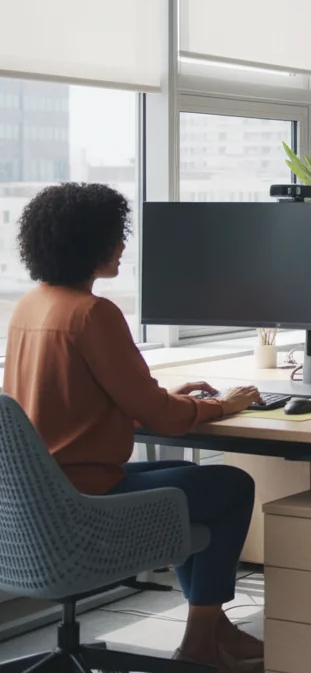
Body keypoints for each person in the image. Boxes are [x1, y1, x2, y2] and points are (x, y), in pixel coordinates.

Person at [3, 183, 264, 672]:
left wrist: (173, 397)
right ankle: (200, 639)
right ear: (86, 242)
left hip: (40, 495)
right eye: (113, 235)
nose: (122, 245)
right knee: (231, 485)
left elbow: (90, 394)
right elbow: (163, 418)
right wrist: (222, 406)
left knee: (194, 483)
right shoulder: (92, 314)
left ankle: (213, 627)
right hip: (87, 499)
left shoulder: (30, 306)